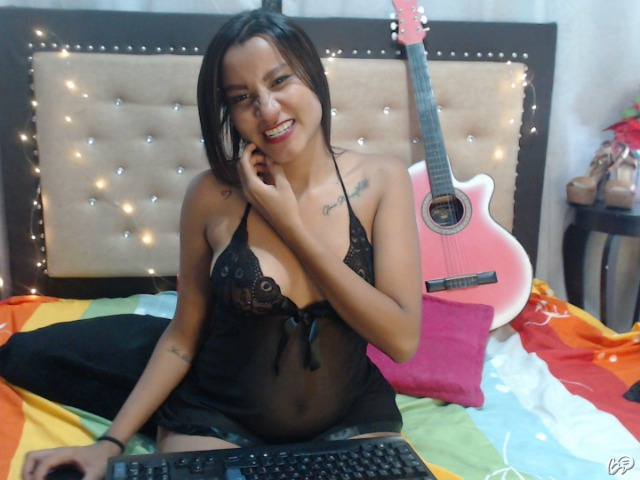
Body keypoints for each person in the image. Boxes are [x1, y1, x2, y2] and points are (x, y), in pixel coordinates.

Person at [22, 8, 422, 480]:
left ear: (312, 75)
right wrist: (110, 442)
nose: (267, 110)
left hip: (350, 417)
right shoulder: (210, 195)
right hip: (220, 419)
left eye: (280, 81)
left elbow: (401, 341)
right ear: (228, 113)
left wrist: (290, 225)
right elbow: (182, 337)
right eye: (242, 97)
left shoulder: (381, 179)